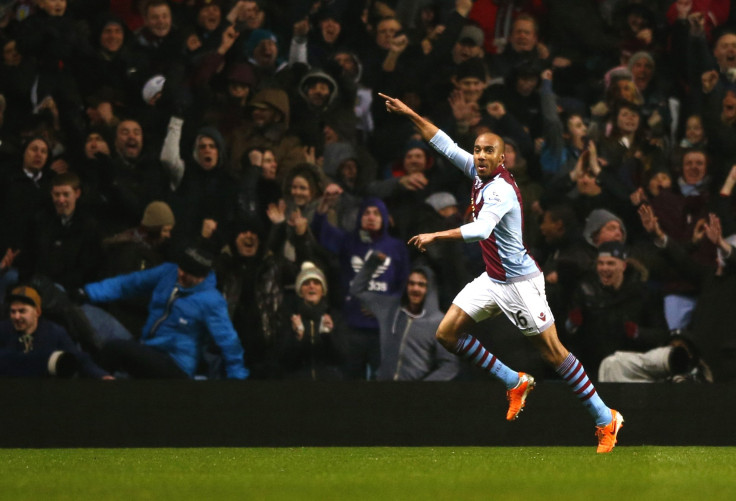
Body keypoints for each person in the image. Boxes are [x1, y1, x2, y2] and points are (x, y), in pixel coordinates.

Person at [379, 91, 623, 453]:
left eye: (487, 151)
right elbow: (444, 144)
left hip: (521, 284)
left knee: (554, 353)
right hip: (493, 280)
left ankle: (606, 418)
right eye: (476, 150)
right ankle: (514, 381)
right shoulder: (477, 172)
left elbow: (479, 231)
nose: (479, 156)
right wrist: (410, 112)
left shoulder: (501, 191)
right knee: (446, 334)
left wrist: (436, 234)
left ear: (502, 157)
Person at [77, 244, 248, 380]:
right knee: (87, 324)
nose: (180, 274)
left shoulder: (211, 301)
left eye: (187, 273)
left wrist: (237, 380)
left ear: (200, 277)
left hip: (175, 365)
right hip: (148, 348)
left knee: (114, 349)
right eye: (181, 268)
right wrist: (88, 292)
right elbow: (129, 283)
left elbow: (229, 342)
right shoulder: (168, 272)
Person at [350, 251, 461, 381]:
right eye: (411, 283)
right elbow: (357, 290)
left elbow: (450, 365)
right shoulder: (390, 308)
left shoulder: (439, 323)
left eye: (421, 285)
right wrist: (373, 262)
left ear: (430, 289)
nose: (415, 288)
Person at [0, 285, 110, 379]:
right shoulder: (3, 330)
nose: (16, 316)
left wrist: (101, 375)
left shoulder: (54, 331)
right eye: (13, 312)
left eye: (22, 311)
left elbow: (77, 357)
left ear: (37, 312)